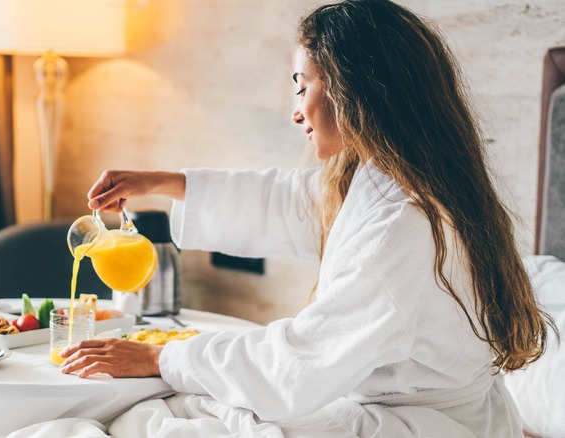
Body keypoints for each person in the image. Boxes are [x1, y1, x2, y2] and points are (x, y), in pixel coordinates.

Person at [56, 0, 557, 436]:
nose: (296, 111)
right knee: (160, 411)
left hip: (420, 427)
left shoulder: (404, 225)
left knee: (146, 420)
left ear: (356, 91)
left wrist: (163, 357)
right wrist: (161, 184)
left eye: (302, 87)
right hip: (406, 413)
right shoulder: (391, 178)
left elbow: (298, 364)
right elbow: (291, 202)